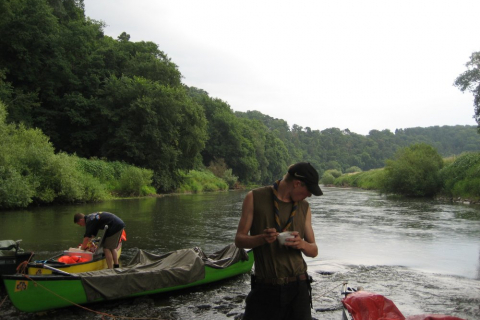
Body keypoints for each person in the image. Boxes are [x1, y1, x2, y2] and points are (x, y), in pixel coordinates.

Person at [235, 162, 323, 320]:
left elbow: (314, 250)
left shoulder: (304, 207)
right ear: (297, 183)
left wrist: (301, 244)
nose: (309, 195)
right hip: (264, 288)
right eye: (308, 191)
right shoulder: (255, 197)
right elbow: (239, 240)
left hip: (298, 288)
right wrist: (261, 239)